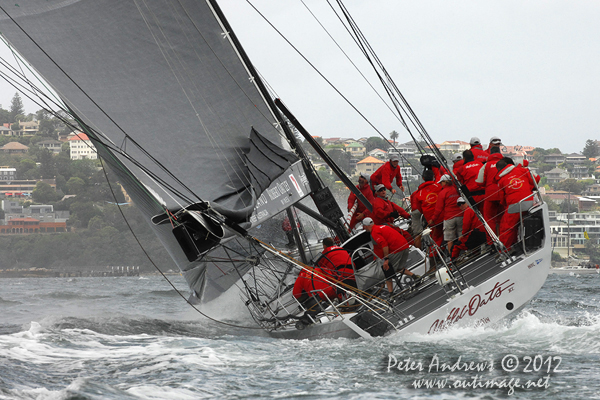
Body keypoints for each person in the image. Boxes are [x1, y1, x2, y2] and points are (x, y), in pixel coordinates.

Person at [362, 217, 418, 297]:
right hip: (405, 246)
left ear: (366, 226)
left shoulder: (375, 232)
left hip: (397, 250)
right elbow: (378, 248)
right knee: (398, 268)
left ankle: (391, 295)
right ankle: (415, 277)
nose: (364, 228)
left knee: (388, 271)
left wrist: (386, 259)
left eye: (364, 227)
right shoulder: (382, 227)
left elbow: (384, 245)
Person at [495, 157, 537, 250]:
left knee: (506, 227)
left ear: (498, 170)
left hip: (514, 205)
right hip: (530, 202)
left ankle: (506, 250)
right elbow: (535, 181)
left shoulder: (501, 180)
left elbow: (502, 199)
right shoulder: (522, 170)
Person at [429, 174, 464, 254]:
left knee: (449, 239)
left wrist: (433, 219)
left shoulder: (442, 193)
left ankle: (452, 256)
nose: (441, 184)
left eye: (441, 183)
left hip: (449, 218)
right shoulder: (457, 189)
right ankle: (464, 253)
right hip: (460, 215)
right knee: (461, 235)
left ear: (445, 182)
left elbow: (438, 209)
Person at [475, 146, 504, 235]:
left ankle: (492, 241)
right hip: (503, 194)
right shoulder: (506, 163)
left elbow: (479, 182)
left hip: (490, 195)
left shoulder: (486, 165)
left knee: (489, 219)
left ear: (490, 154)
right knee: (502, 219)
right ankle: (502, 239)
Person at [410, 169, 443, 247]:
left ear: (423, 178)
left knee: (418, 234)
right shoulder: (438, 187)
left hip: (428, 218)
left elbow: (418, 208)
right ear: (433, 177)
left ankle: (425, 252)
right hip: (442, 216)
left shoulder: (418, 193)